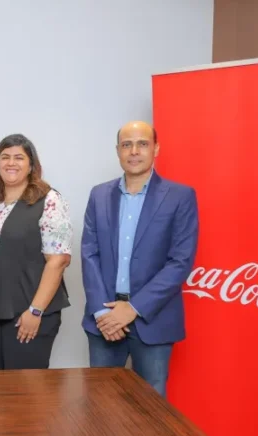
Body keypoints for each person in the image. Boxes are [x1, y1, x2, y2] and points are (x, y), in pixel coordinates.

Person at [81, 120, 199, 397]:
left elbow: (180, 261)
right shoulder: (99, 195)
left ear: (156, 149)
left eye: (142, 144)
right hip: (104, 320)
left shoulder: (180, 196)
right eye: (127, 145)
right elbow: (89, 253)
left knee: (151, 408)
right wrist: (102, 313)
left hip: (154, 319)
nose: (134, 151)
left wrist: (133, 308)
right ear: (118, 151)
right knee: (100, 404)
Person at [0, 134, 72, 370]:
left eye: (19, 157)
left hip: (27, 314)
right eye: (5, 157)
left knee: (24, 389)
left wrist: (35, 311)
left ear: (31, 165)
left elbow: (58, 261)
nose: (11, 163)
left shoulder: (49, 200)